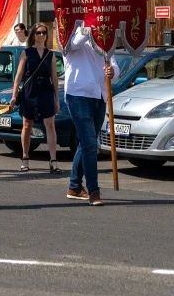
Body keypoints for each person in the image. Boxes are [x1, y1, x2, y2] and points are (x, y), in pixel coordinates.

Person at [62, 24, 120, 207]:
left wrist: (113, 72)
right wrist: (89, 28)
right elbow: (73, 44)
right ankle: (94, 191)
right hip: (78, 95)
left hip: (100, 95)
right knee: (89, 145)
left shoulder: (104, 39)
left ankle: (74, 186)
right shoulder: (71, 33)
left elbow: (115, 65)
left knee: (86, 142)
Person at [9, 22, 60, 173]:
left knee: (50, 124)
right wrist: (14, 95)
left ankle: (53, 160)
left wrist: (57, 99)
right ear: (33, 35)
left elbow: (55, 78)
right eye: (38, 33)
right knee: (27, 124)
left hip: (45, 91)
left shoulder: (50, 54)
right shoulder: (26, 53)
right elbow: (18, 77)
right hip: (29, 91)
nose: (42, 35)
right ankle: (25, 157)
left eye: (44, 32)